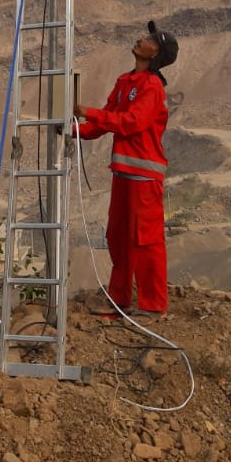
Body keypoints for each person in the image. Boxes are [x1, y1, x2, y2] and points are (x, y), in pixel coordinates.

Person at [74, 20, 179, 319]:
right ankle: (120, 303)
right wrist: (72, 130)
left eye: (149, 40)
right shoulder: (125, 82)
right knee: (118, 238)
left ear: (157, 54)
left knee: (146, 241)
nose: (141, 40)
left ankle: (153, 305)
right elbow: (106, 120)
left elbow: (131, 122)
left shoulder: (152, 87)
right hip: (123, 175)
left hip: (144, 177)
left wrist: (87, 112)